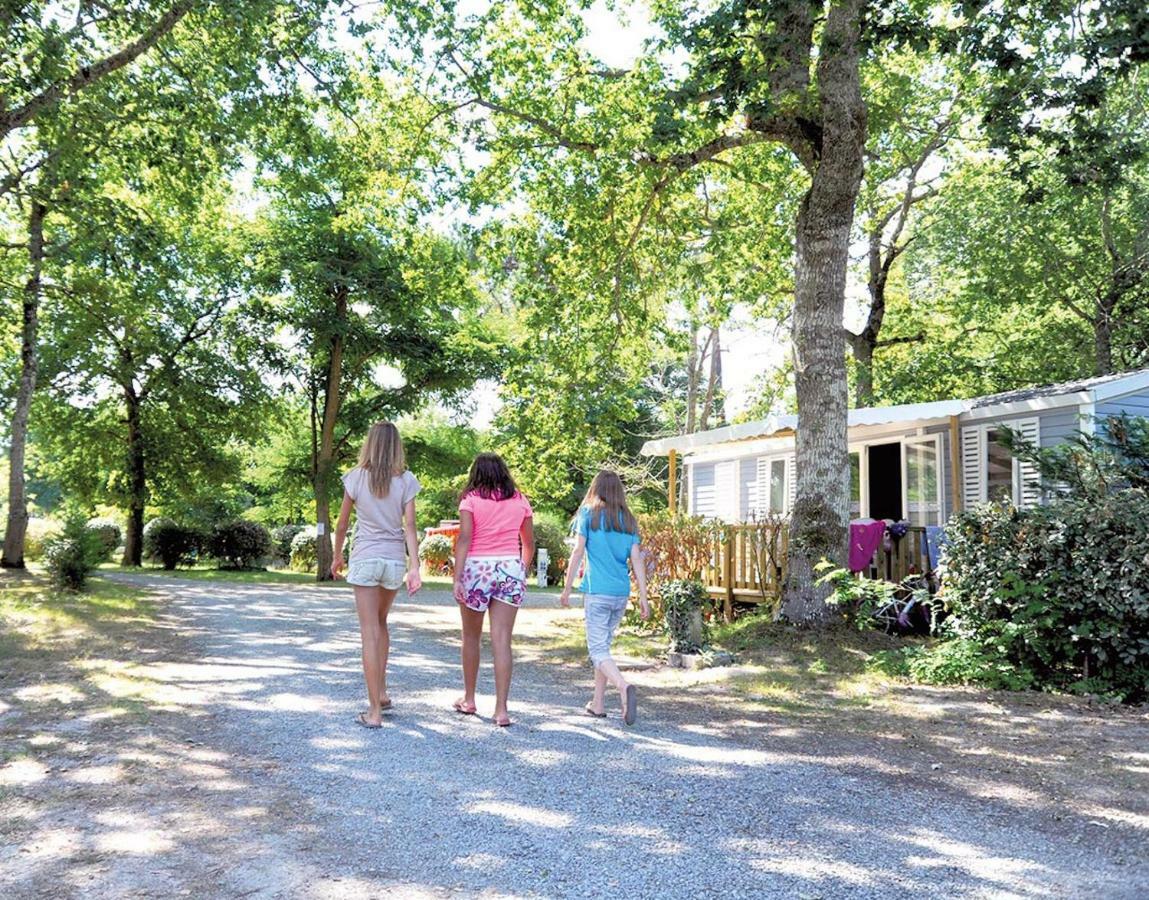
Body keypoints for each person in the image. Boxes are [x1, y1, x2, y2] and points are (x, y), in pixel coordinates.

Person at [332, 422, 422, 729]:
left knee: (369, 630)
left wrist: (336, 556)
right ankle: (381, 693)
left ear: (369, 444)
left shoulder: (355, 477)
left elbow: (342, 524)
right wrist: (414, 566)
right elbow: (409, 526)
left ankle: (374, 712)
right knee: (382, 623)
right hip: (394, 560)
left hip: (365, 559)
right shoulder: (406, 481)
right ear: (397, 446)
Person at [559, 469, 649, 726]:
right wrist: (643, 597)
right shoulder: (628, 520)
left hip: (597, 592)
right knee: (604, 648)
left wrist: (567, 589)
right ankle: (597, 704)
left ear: (596, 488)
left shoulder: (588, 514)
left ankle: (623, 686)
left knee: (597, 650)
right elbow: (637, 560)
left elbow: (577, 552)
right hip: (620, 593)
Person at [452, 453, 534, 727]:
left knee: (471, 637)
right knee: (501, 640)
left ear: (476, 474)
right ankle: (501, 709)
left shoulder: (470, 500)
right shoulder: (520, 500)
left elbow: (464, 539)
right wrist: (520, 569)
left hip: (477, 568)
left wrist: (458, 577)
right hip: (509, 567)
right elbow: (529, 544)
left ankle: (470, 698)